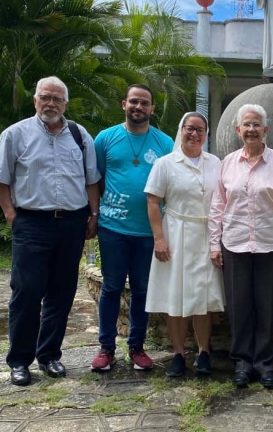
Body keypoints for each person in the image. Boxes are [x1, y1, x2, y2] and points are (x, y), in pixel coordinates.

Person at [0, 76, 100, 386]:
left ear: (65, 104)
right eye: (45, 97)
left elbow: (91, 179)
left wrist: (93, 214)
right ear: (35, 100)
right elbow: (0, 179)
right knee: (26, 292)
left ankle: (49, 355)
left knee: (61, 292)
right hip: (31, 223)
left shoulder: (79, 135)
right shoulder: (15, 134)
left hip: (72, 223)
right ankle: (19, 361)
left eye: (57, 99)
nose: (51, 103)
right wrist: (11, 214)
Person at [209, 104, 273, 389]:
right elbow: (218, 207)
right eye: (246, 125)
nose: (251, 130)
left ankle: (265, 364)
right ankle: (241, 363)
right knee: (239, 308)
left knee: (269, 307)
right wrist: (215, 243)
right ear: (238, 130)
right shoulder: (227, 163)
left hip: (272, 246)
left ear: (266, 130)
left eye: (256, 125)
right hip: (235, 245)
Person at [90, 84, 174, 372]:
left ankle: (137, 347)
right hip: (113, 227)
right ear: (124, 104)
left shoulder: (164, 143)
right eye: (134, 101)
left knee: (141, 289)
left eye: (145, 103)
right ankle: (106, 348)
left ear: (152, 109)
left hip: (149, 230)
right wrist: (98, 211)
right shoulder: (105, 139)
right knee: (111, 287)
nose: (139, 107)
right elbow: (96, 179)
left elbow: (171, 184)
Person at [144, 112, 224, 377]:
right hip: (175, 232)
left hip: (207, 233)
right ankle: (178, 353)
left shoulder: (216, 163)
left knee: (204, 296)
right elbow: (153, 201)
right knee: (175, 296)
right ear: (181, 130)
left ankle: (203, 352)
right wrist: (159, 239)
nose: (195, 134)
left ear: (206, 134)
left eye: (201, 129)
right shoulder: (166, 163)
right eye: (190, 128)